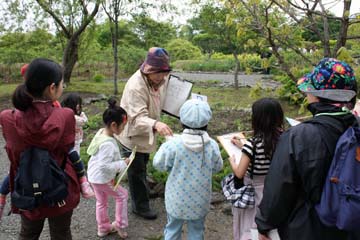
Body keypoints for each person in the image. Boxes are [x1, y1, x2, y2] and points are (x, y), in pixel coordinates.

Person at [255, 58, 360, 240]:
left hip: (308, 228)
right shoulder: (356, 129)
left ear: (318, 95)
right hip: (351, 225)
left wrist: (264, 225)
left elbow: (279, 189)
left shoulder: (298, 136)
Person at [0, 58, 80, 239]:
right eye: (62, 84)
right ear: (52, 88)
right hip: (59, 187)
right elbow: (67, 148)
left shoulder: (7, 118)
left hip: (27, 188)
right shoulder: (66, 115)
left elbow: (14, 156)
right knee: (61, 233)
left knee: (28, 233)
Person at [153, 99, 223, 240]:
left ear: (182, 120)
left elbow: (158, 164)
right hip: (200, 200)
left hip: (176, 199)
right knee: (197, 231)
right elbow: (218, 167)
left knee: (172, 229)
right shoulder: (212, 145)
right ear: (207, 121)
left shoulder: (173, 144)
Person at [118, 47, 173, 220]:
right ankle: (139, 207)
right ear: (149, 70)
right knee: (135, 170)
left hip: (146, 134)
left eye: (165, 73)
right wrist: (156, 124)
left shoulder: (159, 79)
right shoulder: (136, 86)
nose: (163, 77)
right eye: (159, 74)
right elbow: (136, 118)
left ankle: (142, 193)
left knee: (142, 165)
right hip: (131, 135)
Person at [228, 98, 284, 240]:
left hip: (256, 193)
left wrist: (233, 161)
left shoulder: (252, 145)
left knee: (252, 227)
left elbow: (240, 173)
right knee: (272, 228)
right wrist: (243, 145)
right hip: (277, 189)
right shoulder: (284, 139)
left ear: (257, 119)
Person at [87, 98, 130, 238]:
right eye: (122, 126)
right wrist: (122, 164)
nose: (123, 130)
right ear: (113, 125)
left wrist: (119, 161)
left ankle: (103, 228)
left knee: (101, 202)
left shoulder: (101, 132)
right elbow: (104, 166)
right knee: (123, 195)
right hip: (102, 178)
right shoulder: (108, 144)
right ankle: (120, 225)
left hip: (94, 176)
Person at [61, 93, 94, 198]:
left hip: (77, 140)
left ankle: (75, 177)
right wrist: (81, 113)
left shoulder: (67, 113)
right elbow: (84, 120)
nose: (79, 106)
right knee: (76, 160)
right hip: (72, 141)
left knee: (74, 160)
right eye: (77, 104)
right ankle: (81, 181)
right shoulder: (73, 117)